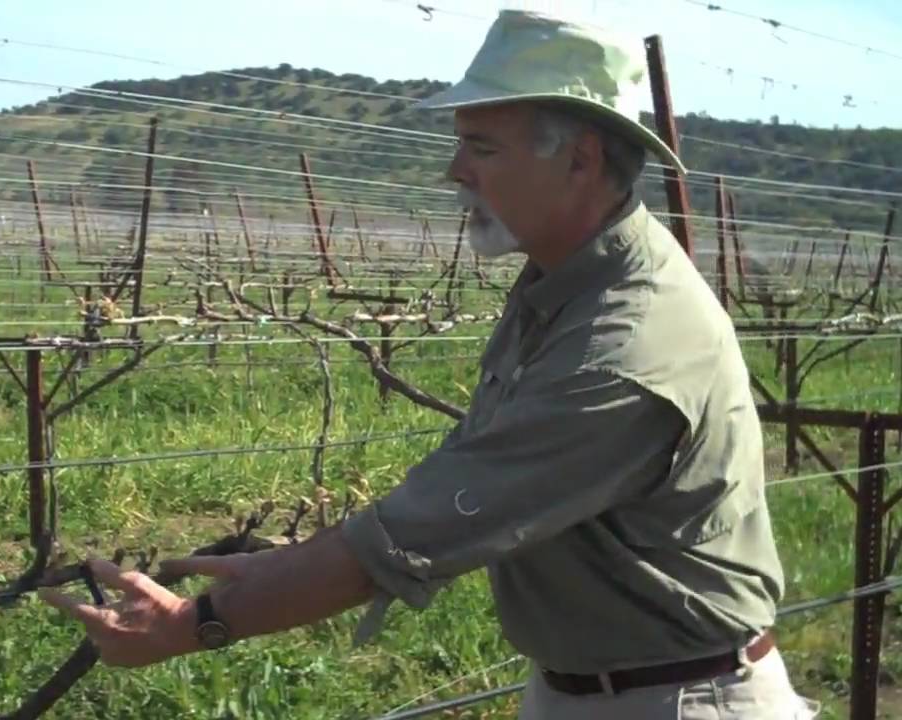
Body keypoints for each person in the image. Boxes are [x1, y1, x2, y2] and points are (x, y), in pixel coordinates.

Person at [42, 10, 821, 719]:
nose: (456, 171)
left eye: (481, 147)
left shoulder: (622, 344)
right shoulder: (565, 281)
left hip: (677, 702)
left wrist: (192, 625)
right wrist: (293, 570)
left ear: (581, 160)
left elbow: (431, 523)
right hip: (597, 687)